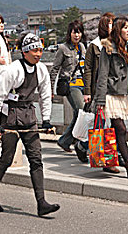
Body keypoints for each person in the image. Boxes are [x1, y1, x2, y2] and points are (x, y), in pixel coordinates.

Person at [0, 33, 60, 217]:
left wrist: (47, 119)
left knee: (36, 158)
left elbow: (45, 95)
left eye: (40, 50)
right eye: (34, 50)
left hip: (29, 115)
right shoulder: (12, 70)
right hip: (9, 116)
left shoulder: (41, 70)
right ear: (25, 52)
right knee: (7, 157)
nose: (38, 54)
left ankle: (41, 203)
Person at [94, 16, 128, 178]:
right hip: (111, 93)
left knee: (117, 130)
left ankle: (111, 161)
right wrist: (100, 100)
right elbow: (102, 75)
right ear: (118, 30)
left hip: (124, 92)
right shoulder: (108, 48)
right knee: (121, 129)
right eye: (125, 27)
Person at [82, 12, 119, 172]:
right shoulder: (95, 45)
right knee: (102, 124)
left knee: (116, 125)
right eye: (111, 24)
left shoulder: (118, 44)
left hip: (116, 90)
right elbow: (88, 69)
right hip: (101, 89)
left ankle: (114, 156)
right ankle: (105, 159)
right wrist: (88, 91)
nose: (114, 26)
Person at [50, 20, 87, 155]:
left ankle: (67, 140)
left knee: (82, 114)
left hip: (83, 84)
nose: (77, 35)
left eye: (79, 32)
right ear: (69, 33)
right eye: (74, 32)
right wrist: (50, 89)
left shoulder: (83, 47)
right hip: (70, 85)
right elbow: (54, 69)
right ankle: (68, 140)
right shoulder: (63, 48)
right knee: (81, 110)